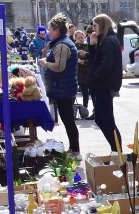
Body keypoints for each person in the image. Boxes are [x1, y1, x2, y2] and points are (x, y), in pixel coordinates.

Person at [39, 14, 80, 157]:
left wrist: (45, 63)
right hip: (65, 87)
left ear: (57, 30)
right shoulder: (62, 42)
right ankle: (73, 148)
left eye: (50, 29)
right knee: (68, 120)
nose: (49, 32)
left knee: (68, 120)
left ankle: (75, 150)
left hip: (64, 88)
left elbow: (59, 66)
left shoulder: (62, 45)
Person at [87, 14, 123, 153]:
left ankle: (116, 150)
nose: (93, 29)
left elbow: (105, 65)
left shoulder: (109, 41)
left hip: (104, 85)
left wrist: (95, 77)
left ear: (102, 25)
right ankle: (115, 149)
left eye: (95, 25)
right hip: (102, 85)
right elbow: (95, 60)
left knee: (106, 120)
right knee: (101, 119)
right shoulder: (106, 40)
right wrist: (92, 46)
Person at [73, 29, 91, 117]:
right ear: (75, 38)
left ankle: (85, 110)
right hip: (76, 73)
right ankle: (72, 111)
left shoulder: (88, 46)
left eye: (82, 37)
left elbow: (91, 59)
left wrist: (83, 62)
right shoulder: (73, 47)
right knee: (73, 93)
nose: (81, 39)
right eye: (79, 37)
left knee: (85, 93)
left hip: (86, 73)